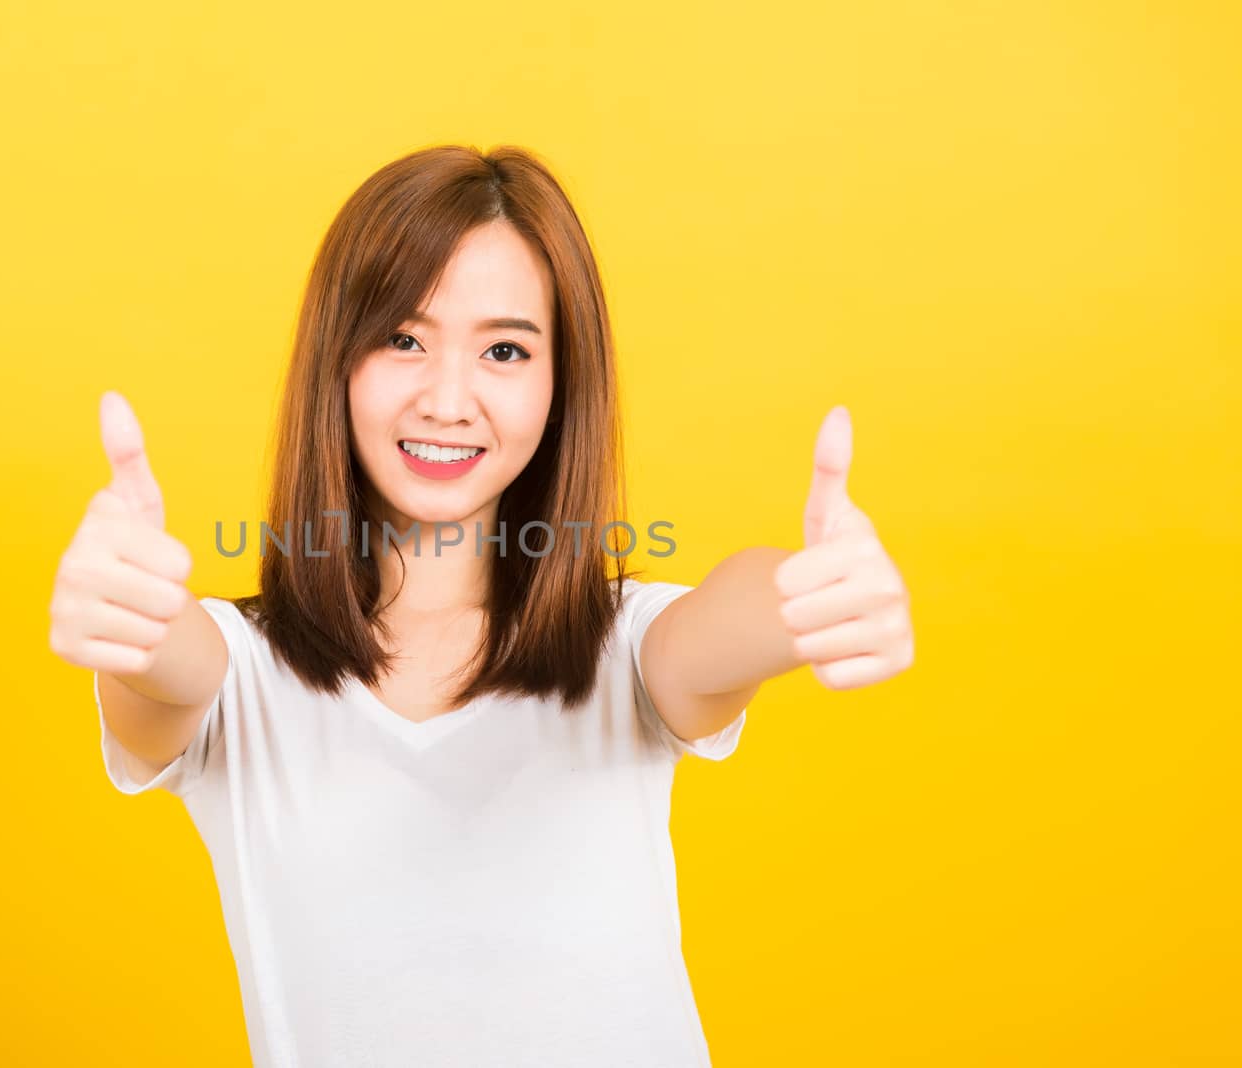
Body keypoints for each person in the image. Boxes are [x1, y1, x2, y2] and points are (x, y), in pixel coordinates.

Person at [48, 144, 915, 1067]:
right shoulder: (240, 675)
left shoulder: (621, 649)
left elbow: (716, 629)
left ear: (559, 385)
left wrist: (801, 601)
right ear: (335, 363)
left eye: (504, 350)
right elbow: (166, 669)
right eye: (402, 340)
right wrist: (127, 615)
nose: (448, 399)